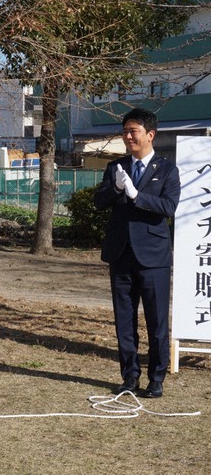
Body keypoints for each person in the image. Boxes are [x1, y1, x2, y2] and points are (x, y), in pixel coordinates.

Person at [94, 108, 181, 399]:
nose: (128, 136)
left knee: (157, 324)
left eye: (134, 131)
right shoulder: (116, 167)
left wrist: (136, 196)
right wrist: (117, 190)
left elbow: (168, 208)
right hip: (121, 256)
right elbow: (98, 202)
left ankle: (156, 379)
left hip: (154, 258)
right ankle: (129, 377)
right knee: (124, 323)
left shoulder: (167, 169)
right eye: (125, 131)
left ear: (150, 135)